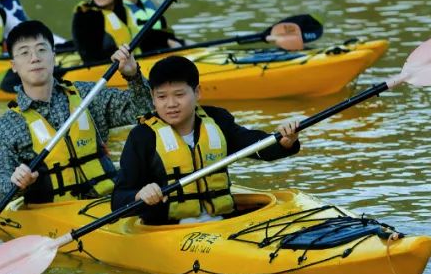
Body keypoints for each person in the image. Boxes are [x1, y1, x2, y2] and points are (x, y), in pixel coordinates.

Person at [111, 56, 300, 225]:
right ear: (153, 98)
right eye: (162, 97)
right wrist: (139, 194)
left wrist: (285, 142)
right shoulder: (142, 136)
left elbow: (255, 145)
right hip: (168, 229)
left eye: (179, 95)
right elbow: (118, 198)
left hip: (222, 223)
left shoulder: (217, 120)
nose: (171, 104)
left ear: (197, 93)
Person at [0, 20, 152, 203]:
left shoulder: (88, 95)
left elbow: (144, 110)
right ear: (13, 65)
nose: (34, 58)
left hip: (109, 201)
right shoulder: (8, 126)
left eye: (42, 50)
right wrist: (17, 182)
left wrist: (133, 76)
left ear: (54, 56)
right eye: (24, 53)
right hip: (55, 215)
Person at [71, 0, 160, 63]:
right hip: (106, 69)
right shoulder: (86, 15)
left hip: (132, 63)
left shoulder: (124, 10)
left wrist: (168, 39)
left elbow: (140, 38)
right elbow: (89, 56)